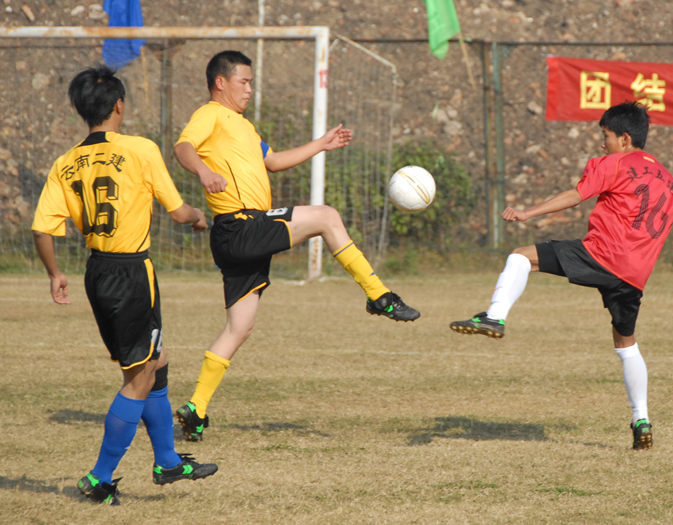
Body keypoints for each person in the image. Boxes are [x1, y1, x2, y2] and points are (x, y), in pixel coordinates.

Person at [173, 50, 420, 442]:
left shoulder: (243, 126)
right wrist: (203, 170)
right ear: (220, 82)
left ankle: (196, 409)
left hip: (238, 234)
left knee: (239, 327)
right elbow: (183, 147)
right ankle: (379, 295)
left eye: (251, 83)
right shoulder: (211, 114)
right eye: (243, 82)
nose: (249, 90)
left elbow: (272, 161)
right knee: (327, 216)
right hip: (241, 224)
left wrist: (320, 144)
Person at [449, 101, 673, 450]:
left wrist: (529, 212)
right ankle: (641, 419)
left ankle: (494, 317)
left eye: (606, 136)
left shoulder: (613, 163)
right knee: (626, 345)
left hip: (601, 255)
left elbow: (576, 196)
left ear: (625, 138)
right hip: (634, 276)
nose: (602, 143)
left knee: (520, 257)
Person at [32, 65, 219, 505]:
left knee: (156, 360)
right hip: (133, 273)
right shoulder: (140, 149)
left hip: (97, 271)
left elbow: (43, 229)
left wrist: (55, 274)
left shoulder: (65, 162)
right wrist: (198, 217)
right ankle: (99, 478)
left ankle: (167, 461)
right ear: (119, 105)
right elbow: (178, 212)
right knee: (138, 378)